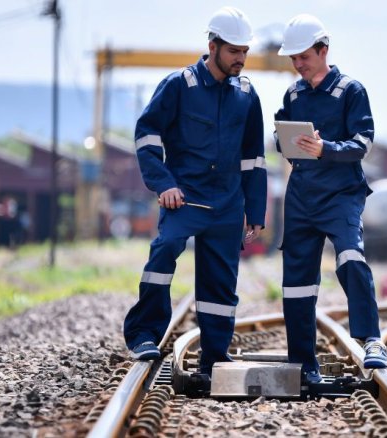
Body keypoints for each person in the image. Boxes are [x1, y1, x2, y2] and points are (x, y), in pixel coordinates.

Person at [122, 7, 267, 376]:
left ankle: (214, 355)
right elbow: (147, 135)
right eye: (233, 51)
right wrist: (164, 183)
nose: (240, 59)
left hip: (228, 204)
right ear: (212, 46)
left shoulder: (246, 95)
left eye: (244, 51)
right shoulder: (178, 86)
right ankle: (143, 333)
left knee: (222, 282)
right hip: (185, 198)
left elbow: (254, 158)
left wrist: (256, 210)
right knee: (165, 250)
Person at [274, 14, 387, 384]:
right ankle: (303, 365)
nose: (298, 64)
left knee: (351, 257)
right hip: (302, 196)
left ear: (323, 50)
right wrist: (285, 141)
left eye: (303, 56)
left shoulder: (351, 91)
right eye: (293, 58)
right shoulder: (293, 94)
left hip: (341, 195)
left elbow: (363, 143)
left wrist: (326, 148)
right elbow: (280, 138)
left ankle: (372, 339)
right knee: (297, 281)